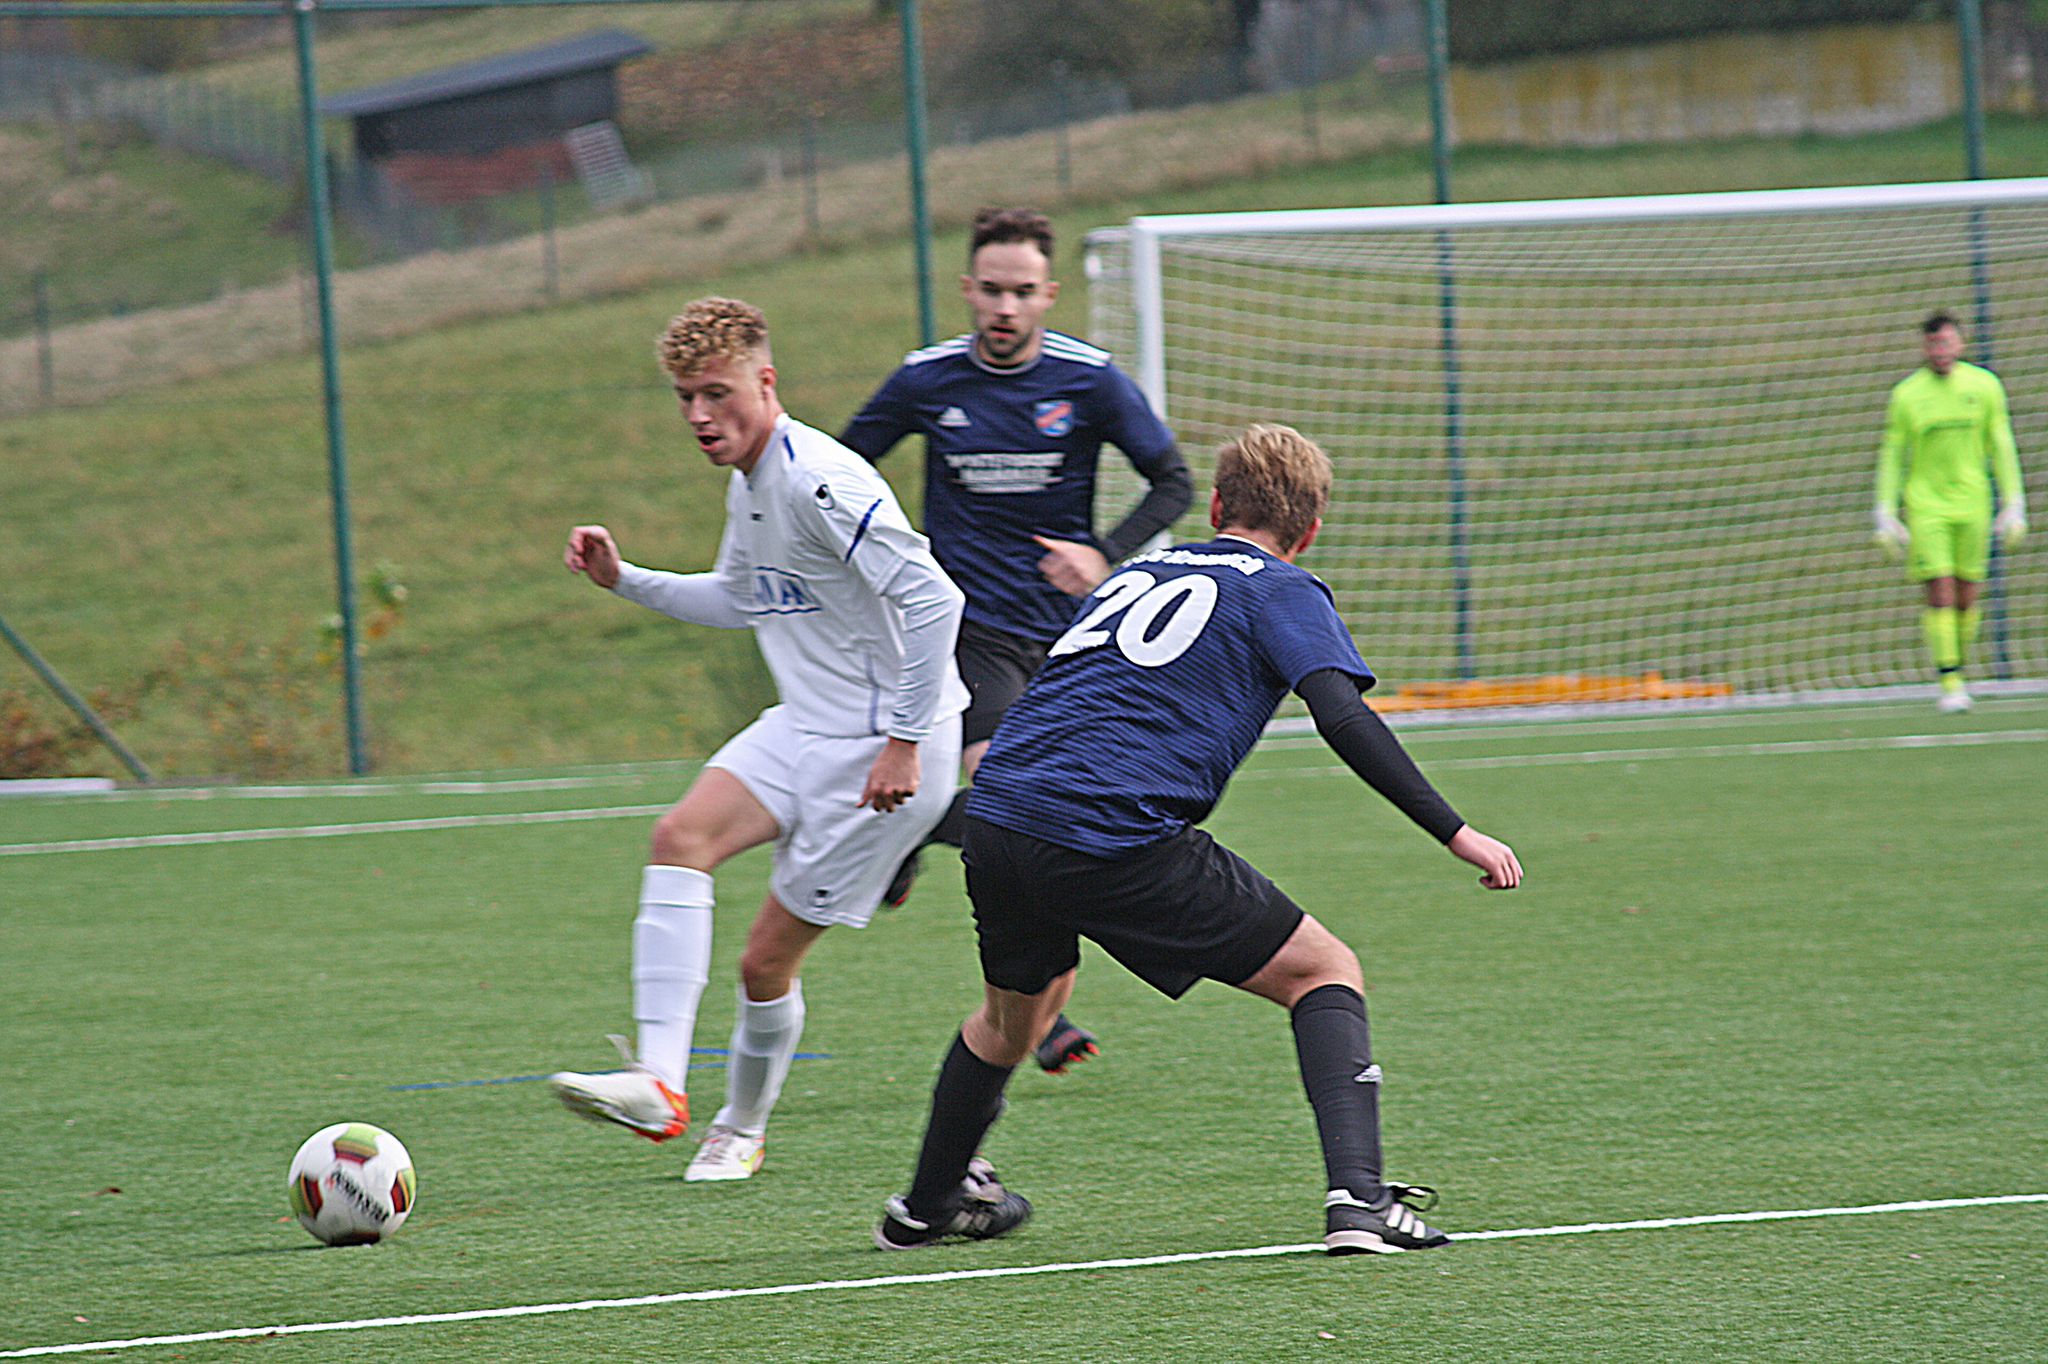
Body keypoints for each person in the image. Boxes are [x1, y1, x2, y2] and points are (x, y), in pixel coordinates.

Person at [871, 423, 1523, 1254]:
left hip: (1000, 814)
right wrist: (1454, 831)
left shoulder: (1137, 571)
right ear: (1310, 529)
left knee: (1011, 1021)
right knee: (1324, 971)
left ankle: (927, 1207)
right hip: (1110, 830)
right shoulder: (1282, 588)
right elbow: (1342, 711)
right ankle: (1359, 1204)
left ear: (1216, 505)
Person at [549, 297, 969, 1183]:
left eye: (716, 393)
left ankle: (740, 1128)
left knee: (763, 961)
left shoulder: (821, 478)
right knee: (679, 838)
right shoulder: (750, 482)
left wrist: (904, 741)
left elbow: (937, 600)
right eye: (684, 398)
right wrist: (624, 580)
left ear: (765, 382)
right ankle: (659, 1083)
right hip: (805, 726)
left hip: (885, 752)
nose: (700, 416)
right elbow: (741, 598)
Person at [841, 206, 1195, 1073]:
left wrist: (1103, 553)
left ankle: (922, 845)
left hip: (1073, 640)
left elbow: (1175, 480)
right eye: (991, 291)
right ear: (968, 290)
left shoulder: (1090, 380)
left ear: (1049, 294)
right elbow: (844, 468)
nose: (1005, 307)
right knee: (1014, 797)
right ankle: (1043, 1011)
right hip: (966, 630)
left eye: (1022, 292)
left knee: (1058, 812)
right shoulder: (927, 381)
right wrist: (892, 562)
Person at [1873, 310, 2029, 713]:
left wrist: (2013, 502)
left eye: (1945, 342)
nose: (1939, 350)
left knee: (1967, 596)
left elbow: (2001, 444)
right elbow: (1893, 455)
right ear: (1923, 348)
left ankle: (1955, 664)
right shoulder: (1907, 395)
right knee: (1939, 589)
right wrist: (1885, 510)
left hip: (1973, 504)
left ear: (1959, 344)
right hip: (1927, 507)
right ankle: (1951, 682)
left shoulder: (1985, 387)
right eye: (1931, 343)